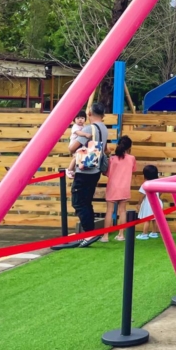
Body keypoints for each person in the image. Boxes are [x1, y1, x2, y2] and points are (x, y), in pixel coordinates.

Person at [69, 102, 110, 248]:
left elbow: (72, 148)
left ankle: (89, 233)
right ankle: (89, 232)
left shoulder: (88, 128)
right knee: (87, 201)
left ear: (90, 113)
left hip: (84, 169)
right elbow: (106, 149)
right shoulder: (104, 129)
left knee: (79, 201)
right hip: (96, 169)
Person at [103, 135, 136, 242]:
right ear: (129, 147)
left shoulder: (111, 159)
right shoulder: (132, 158)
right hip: (124, 187)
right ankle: (121, 235)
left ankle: (105, 236)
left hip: (112, 187)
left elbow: (107, 173)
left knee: (109, 211)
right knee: (122, 211)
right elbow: (133, 170)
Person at [136, 164, 160, 240]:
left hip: (148, 204)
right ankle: (154, 233)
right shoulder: (158, 183)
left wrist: (139, 204)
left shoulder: (145, 184)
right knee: (155, 218)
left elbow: (142, 195)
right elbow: (160, 192)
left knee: (147, 219)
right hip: (157, 202)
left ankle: (144, 234)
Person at [64, 111, 87, 180]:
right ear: (74, 120)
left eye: (82, 118)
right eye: (78, 118)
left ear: (85, 119)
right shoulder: (75, 127)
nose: (80, 120)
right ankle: (69, 170)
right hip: (74, 144)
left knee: (78, 157)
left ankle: (74, 170)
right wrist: (86, 134)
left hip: (79, 145)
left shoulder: (84, 126)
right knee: (75, 157)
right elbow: (78, 133)